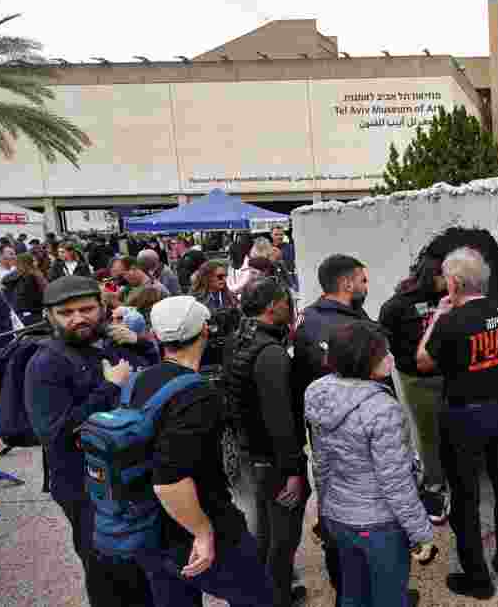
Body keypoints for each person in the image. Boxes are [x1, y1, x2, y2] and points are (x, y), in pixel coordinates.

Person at [127, 296, 275, 606]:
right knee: (256, 597)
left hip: (149, 524)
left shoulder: (137, 381)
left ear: (156, 337)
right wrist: (202, 532)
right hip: (199, 519)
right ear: (205, 331)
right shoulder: (198, 395)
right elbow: (169, 479)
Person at [24, 276, 155, 607]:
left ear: (102, 307)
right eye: (66, 312)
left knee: (141, 567)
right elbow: (55, 433)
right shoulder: (46, 362)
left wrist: (141, 342)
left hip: (130, 476)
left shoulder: (112, 343)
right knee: (107, 572)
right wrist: (109, 388)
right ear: (50, 316)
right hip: (84, 486)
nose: (78, 318)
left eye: (86, 309)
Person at [415, 247, 498, 598]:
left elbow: (422, 361)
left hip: (463, 417)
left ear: (454, 283)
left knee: (465, 497)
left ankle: (478, 578)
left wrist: (438, 315)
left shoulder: (451, 320)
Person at [306, 321, 434, 607]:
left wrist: (322, 509)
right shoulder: (382, 409)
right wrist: (421, 532)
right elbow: (396, 481)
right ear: (365, 361)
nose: (389, 358)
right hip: (378, 523)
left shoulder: (316, 393)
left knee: (352, 591)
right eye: (383, 353)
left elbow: (321, 461)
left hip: (339, 517)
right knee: (389, 596)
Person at [223, 277, 310, 607]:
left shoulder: (237, 339)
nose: (290, 306)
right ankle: (277, 598)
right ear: (274, 306)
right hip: (272, 460)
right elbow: (280, 419)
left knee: (262, 531)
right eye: (287, 302)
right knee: (283, 538)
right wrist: (293, 470)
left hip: (249, 452)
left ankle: (264, 594)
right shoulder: (271, 354)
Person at [292, 254, 372, 599]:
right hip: (352, 437)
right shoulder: (342, 325)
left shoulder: (310, 318)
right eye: (363, 281)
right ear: (346, 284)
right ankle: (355, 587)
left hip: (329, 435)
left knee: (339, 509)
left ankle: (350, 584)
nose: (367, 287)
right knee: (360, 513)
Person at [379, 256, 451, 525]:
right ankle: (434, 486)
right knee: (428, 432)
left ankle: (447, 476)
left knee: (449, 429)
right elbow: (382, 342)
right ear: (431, 275)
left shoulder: (448, 297)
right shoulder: (397, 306)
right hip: (418, 379)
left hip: (448, 375)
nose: (449, 280)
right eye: (444, 275)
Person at [2, 252, 47, 325]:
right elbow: (43, 293)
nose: (36, 262)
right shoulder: (32, 276)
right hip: (34, 313)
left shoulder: (10, 277)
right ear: (28, 262)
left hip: (21, 313)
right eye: (33, 260)